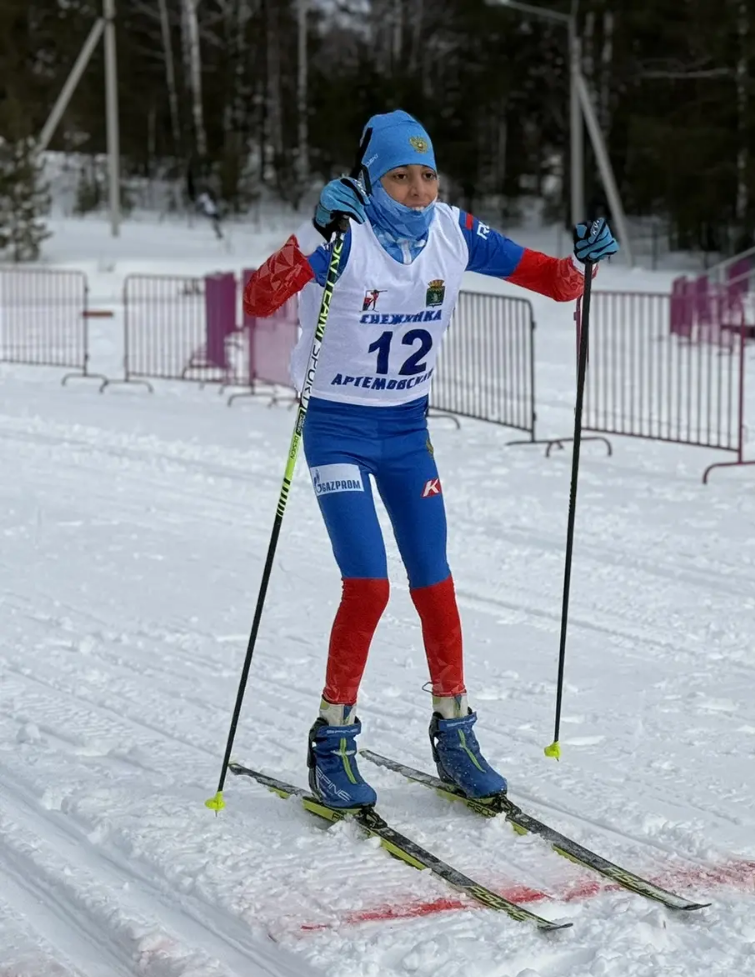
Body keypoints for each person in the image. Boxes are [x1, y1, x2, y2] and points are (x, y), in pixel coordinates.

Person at [242, 110, 619, 808]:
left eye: (427, 174)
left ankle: (454, 728)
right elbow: (260, 297)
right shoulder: (341, 231)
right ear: (369, 179)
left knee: (434, 581)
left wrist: (583, 260)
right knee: (368, 585)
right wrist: (313, 233)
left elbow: (557, 282)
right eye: (399, 176)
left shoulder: (453, 230)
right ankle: (333, 738)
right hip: (337, 430)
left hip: (407, 433)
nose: (417, 190)